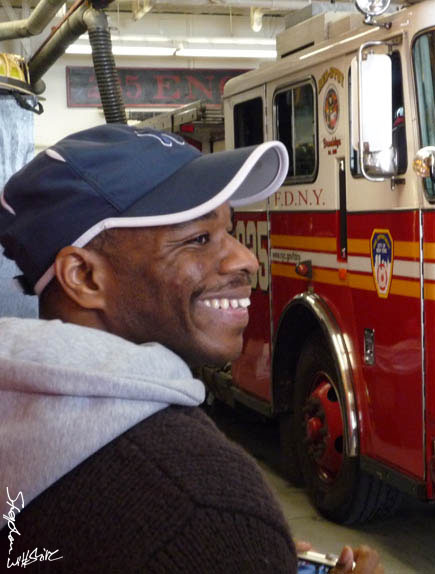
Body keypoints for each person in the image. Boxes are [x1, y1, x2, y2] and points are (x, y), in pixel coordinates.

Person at [0, 124, 383, 573]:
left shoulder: (18, 407)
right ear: (84, 277)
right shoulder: (204, 504)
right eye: (199, 239)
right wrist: (236, 544)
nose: (245, 259)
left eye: (230, 230)